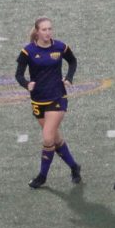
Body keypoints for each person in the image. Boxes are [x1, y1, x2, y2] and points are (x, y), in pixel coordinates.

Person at [15, 16, 81, 188]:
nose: (48, 32)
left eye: (50, 29)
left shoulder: (60, 47)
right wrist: (26, 84)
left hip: (57, 97)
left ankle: (42, 176)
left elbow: (72, 61)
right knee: (56, 139)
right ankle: (74, 167)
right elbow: (19, 74)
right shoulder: (27, 51)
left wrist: (69, 78)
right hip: (38, 100)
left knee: (47, 138)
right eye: (44, 29)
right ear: (37, 31)